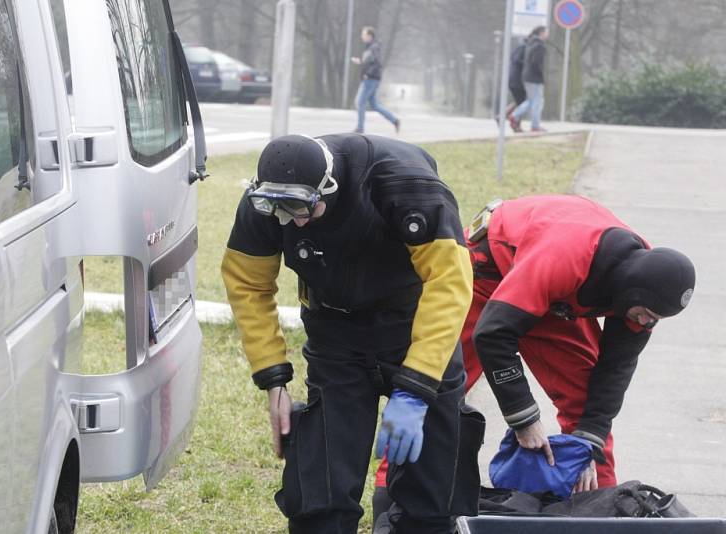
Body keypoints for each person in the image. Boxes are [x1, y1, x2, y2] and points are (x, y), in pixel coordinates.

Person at [373, 195, 695, 519]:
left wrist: (589, 443)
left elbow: (614, 371)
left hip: (560, 296)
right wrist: (524, 419)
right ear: (631, 291)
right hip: (492, 275)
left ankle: (601, 513)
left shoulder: (649, 288)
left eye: (651, 318)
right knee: (436, 386)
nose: (644, 323)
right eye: (644, 315)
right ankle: (391, 501)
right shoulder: (566, 257)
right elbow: (493, 334)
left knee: (587, 408)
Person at [221, 133, 476, 533]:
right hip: (335, 334)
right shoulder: (265, 205)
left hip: (413, 325)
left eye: (305, 208)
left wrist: (417, 387)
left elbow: (449, 282)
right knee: (320, 499)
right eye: (284, 212)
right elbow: (248, 284)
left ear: (330, 187)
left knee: (434, 500)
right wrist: (274, 379)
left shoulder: (404, 183)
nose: (296, 221)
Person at [351, 26, 400, 134]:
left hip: (370, 79)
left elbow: (377, 63)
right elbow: (370, 62)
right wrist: (361, 62)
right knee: (374, 105)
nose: (362, 37)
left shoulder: (374, 48)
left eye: (363, 34)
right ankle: (395, 120)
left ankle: (360, 128)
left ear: (369, 36)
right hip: (372, 79)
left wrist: (367, 74)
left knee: (360, 102)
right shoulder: (371, 48)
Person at [510, 25, 547, 133]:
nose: (547, 34)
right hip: (534, 77)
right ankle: (534, 126)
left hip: (526, 76)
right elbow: (536, 63)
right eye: (546, 32)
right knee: (537, 101)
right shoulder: (539, 46)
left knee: (532, 101)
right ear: (541, 33)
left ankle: (515, 115)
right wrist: (541, 75)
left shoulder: (530, 43)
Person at [501, 35, 528, 133]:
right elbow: (516, 60)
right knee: (522, 103)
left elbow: (514, 58)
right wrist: (527, 63)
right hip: (517, 80)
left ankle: (502, 116)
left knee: (519, 101)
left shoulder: (520, 47)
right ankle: (516, 125)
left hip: (514, 79)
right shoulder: (523, 48)